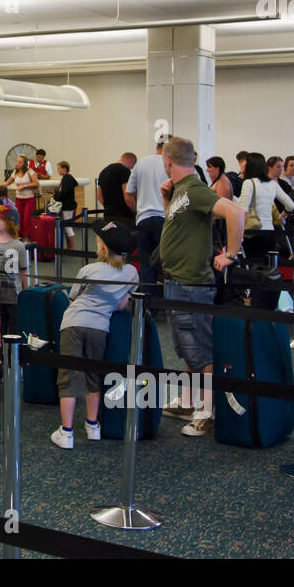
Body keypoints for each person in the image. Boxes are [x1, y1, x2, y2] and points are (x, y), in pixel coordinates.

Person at [157, 136, 244, 437]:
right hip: (177, 281)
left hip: (192, 283)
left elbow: (236, 212)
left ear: (168, 162)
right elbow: (177, 224)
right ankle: (189, 400)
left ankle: (206, 413)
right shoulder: (181, 189)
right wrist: (166, 198)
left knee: (201, 351)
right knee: (188, 349)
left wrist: (231, 254)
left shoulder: (194, 189)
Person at [51, 221, 138, 447]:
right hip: (101, 327)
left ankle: (66, 432)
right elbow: (122, 304)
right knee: (93, 374)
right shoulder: (131, 273)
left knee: (68, 376)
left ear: (103, 249)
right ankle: (92, 425)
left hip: (73, 323)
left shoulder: (88, 270)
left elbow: (72, 298)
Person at [123, 141, 168, 293]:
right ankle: (167, 305)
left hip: (143, 220)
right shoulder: (172, 164)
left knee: (146, 264)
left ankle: (146, 307)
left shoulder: (141, 163)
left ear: (157, 148)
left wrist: (138, 212)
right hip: (165, 221)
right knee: (168, 264)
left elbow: (128, 195)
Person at [238, 151, 294, 264]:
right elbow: (291, 205)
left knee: (253, 269)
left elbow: (242, 210)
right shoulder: (272, 184)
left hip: (253, 233)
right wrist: (282, 216)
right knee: (267, 269)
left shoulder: (249, 183)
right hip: (270, 233)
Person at [0, 204, 28, 337]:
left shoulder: (18, 246)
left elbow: (23, 271)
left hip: (13, 296)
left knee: (14, 329)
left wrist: (26, 292)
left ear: (9, 222)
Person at [96, 152, 137, 226]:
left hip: (108, 215)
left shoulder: (103, 171)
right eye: (132, 167)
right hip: (124, 216)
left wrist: (109, 208)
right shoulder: (124, 171)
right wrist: (135, 210)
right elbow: (128, 196)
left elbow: (99, 196)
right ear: (131, 162)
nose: (131, 169)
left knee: (111, 236)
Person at [4, 155, 39, 236]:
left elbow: (36, 183)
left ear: (24, 163)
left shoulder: (30, 171)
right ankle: (21, 237)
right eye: (17, 161)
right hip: (19, 199)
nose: (18, 163)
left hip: (29, 199)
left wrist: (24, 186)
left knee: (27, 220)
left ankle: (28, 238)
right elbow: (7, 182)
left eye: (20, 162)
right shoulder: (15, 172)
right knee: (19, 219)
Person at [54, 160, 79, 242]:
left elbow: (64, 192)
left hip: (67, 206)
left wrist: (55, 196)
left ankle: (71, 248)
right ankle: (69, 247)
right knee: (66, 227)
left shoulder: (67, 178)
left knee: (68, 228)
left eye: (58, 168)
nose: (57, 170)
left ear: (64, 169)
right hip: (67, 205)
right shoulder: (67, 178)